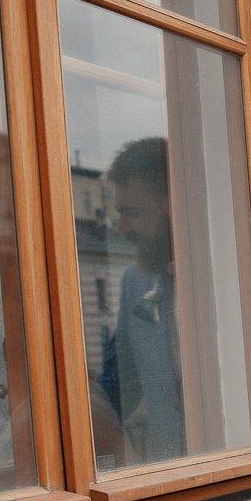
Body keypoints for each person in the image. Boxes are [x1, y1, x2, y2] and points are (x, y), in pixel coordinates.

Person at [96, 135, 188, 464]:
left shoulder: (222, 280)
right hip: (171, 477)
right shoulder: (134, 283)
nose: (121, 227)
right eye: (118, 212)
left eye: (132, 213)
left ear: (171, 205)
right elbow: (119, 383)